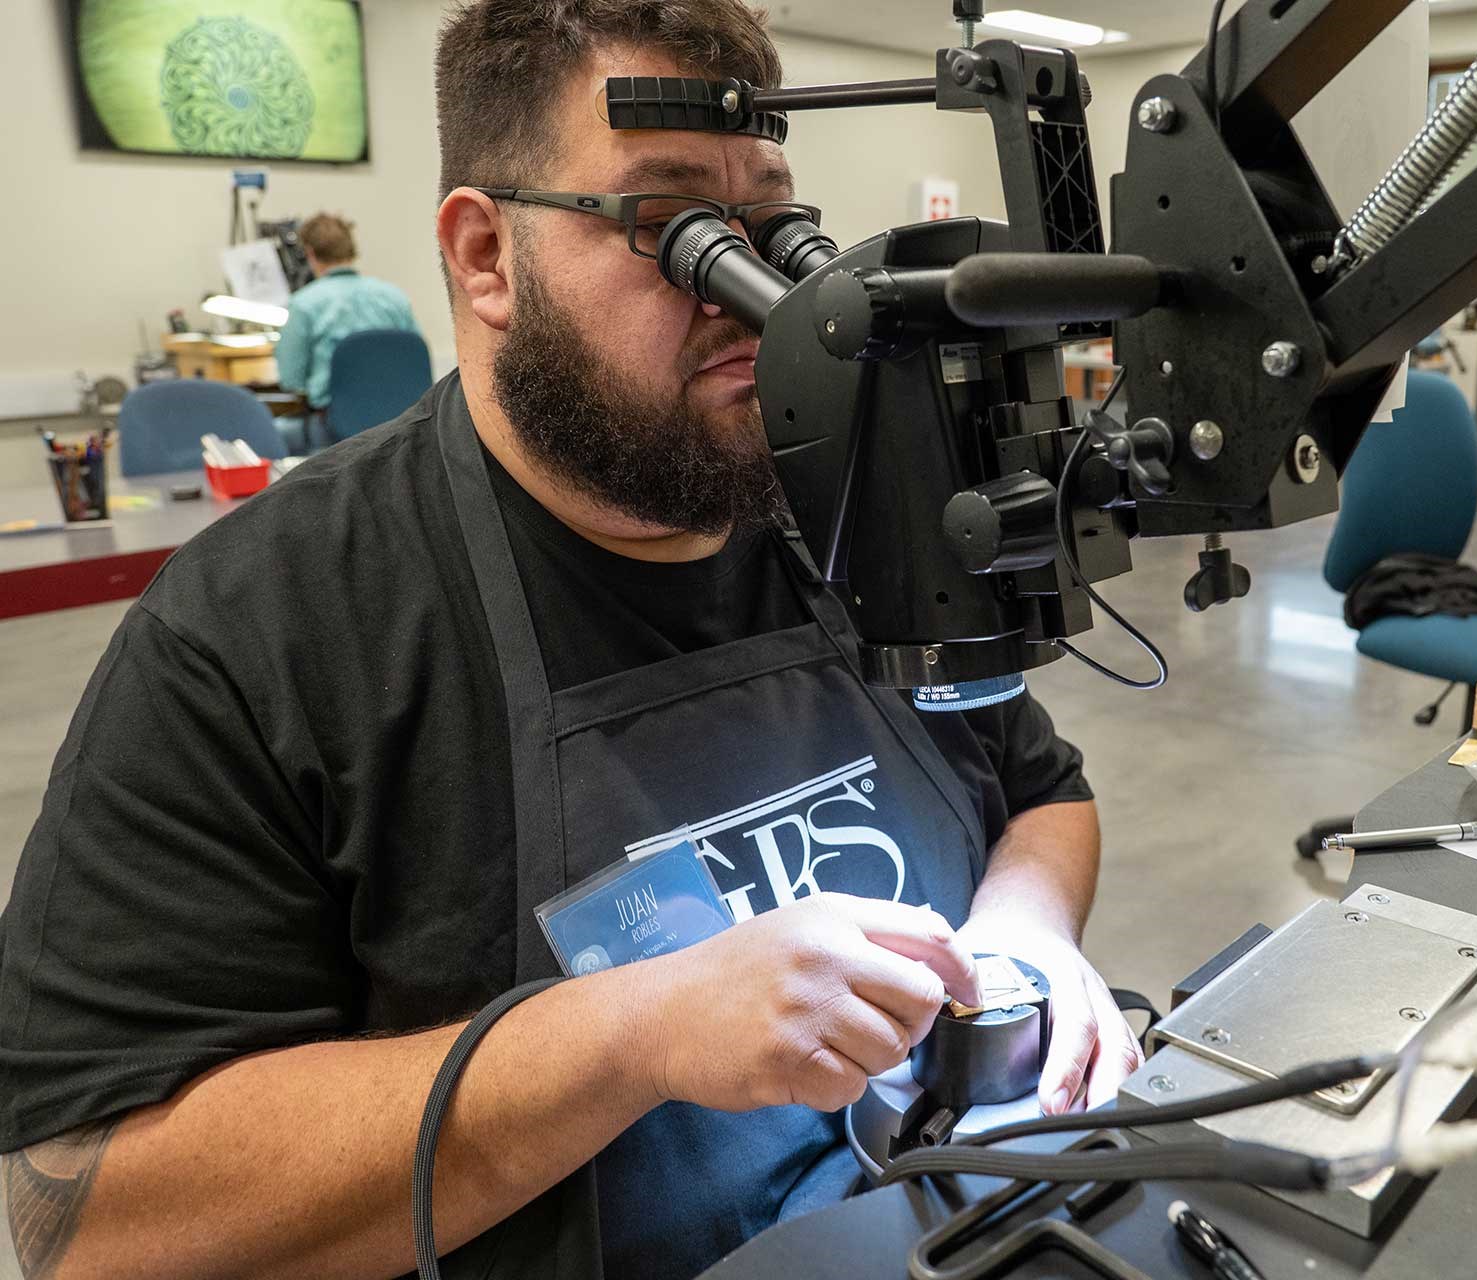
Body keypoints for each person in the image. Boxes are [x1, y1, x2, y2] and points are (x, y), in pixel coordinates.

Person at [0, 3, 1139, 1279]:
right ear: (487, 257)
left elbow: (1045, 793)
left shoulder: (846, 507)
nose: (760, 300)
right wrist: (631, 1031)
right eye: (677, 232)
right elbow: (84, 1223)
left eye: (775, 227)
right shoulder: (265, 625)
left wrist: (1025, 940)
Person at [275, 211, 420, 446]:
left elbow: (291, 379)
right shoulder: (395, 297)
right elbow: (414, 362)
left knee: (276, 432)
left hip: (336, 431)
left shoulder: (304, 304)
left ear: (310, 253)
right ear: (350, 249)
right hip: (400, 428)